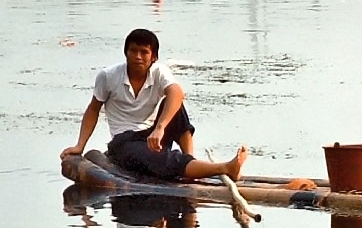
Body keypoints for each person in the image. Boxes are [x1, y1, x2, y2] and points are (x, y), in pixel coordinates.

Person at [60, 28, 246, 182]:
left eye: (144, 52)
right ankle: (225, 167)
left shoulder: (158, 72)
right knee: (163, 160)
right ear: (126, 52)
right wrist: (80, 145)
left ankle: (190, 161)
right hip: (124, 142)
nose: (138, 57)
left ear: (153, 57)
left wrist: (159, 128)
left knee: (174, 104)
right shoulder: (108, 76)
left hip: (152, 136)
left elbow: (177, 92)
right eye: (133, 51)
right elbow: (93, 109)